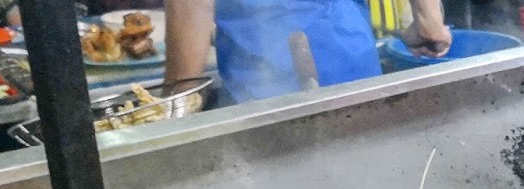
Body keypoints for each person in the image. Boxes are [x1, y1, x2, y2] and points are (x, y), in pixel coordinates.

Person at [164, 0, 451, 104]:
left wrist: (179, 97)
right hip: (353, 62)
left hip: (266, 90)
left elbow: (191, 6)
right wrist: (429, 20)